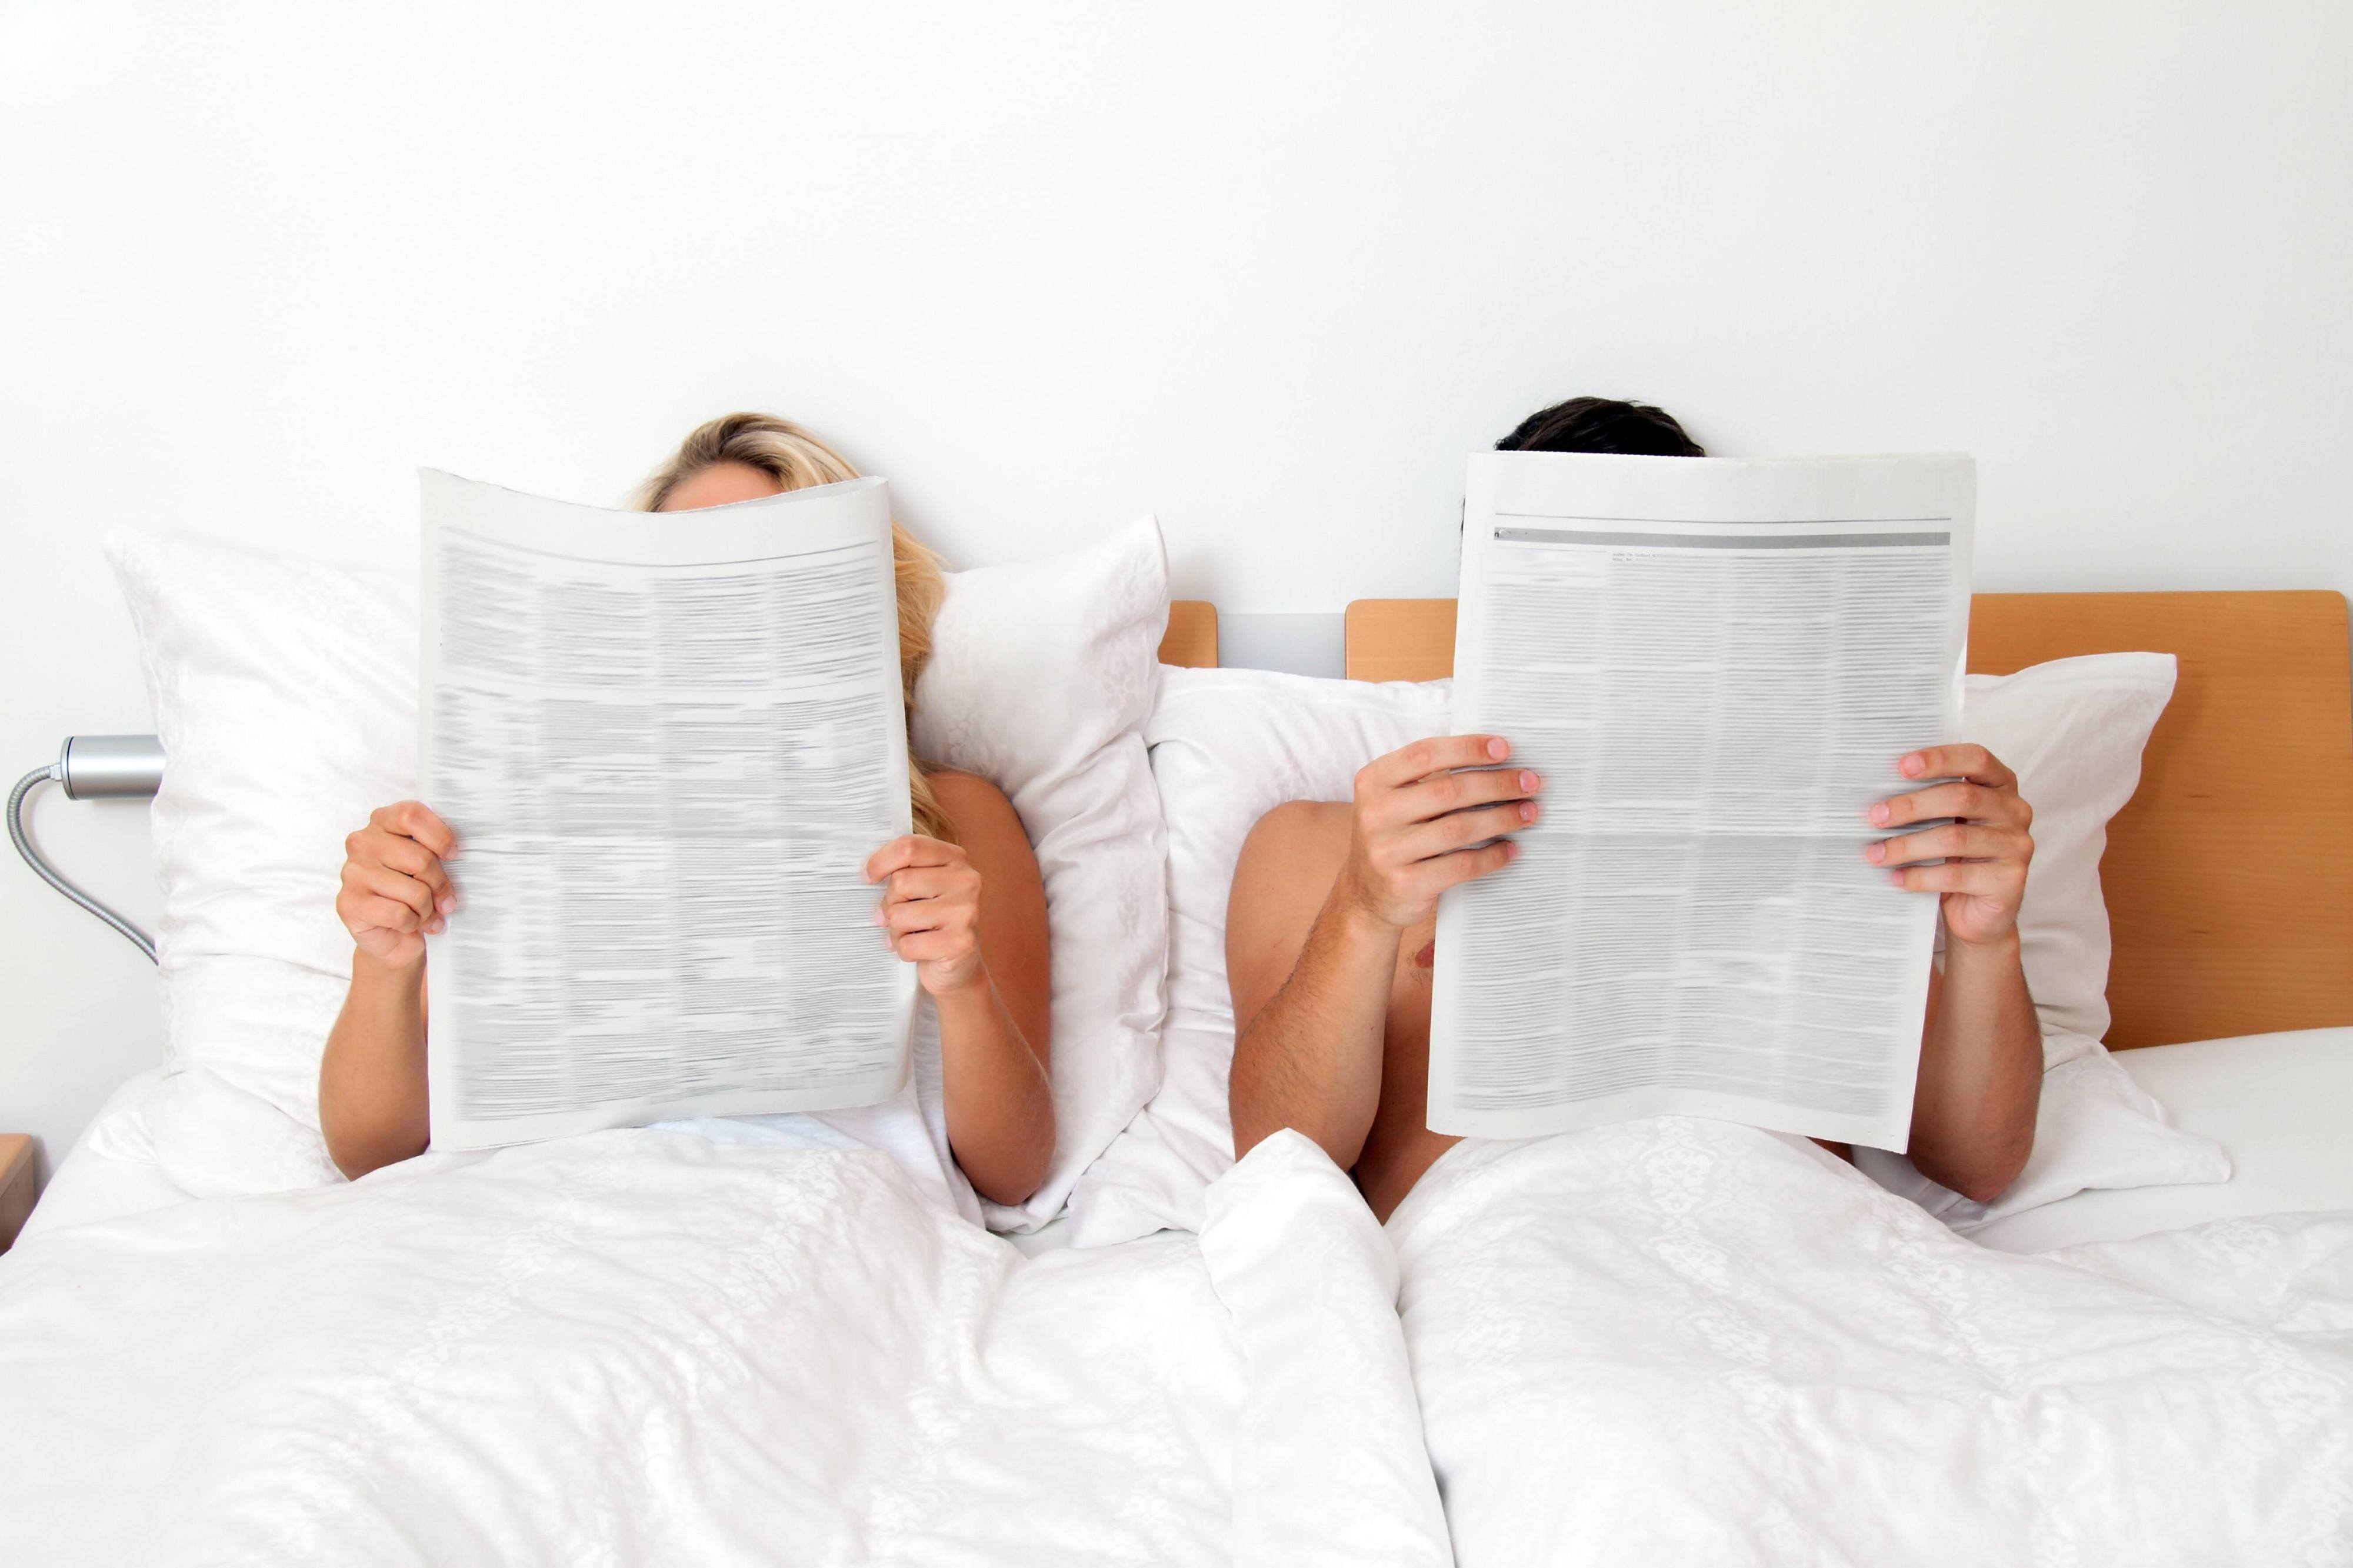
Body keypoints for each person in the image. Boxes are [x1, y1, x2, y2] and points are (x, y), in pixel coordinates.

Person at [1226, 397, 2040, 1222]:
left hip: (1787, 1240)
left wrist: (1987, 939)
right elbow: (1278, 1159)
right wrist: (1364, 912)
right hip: (1509, 1251)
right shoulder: (1319, 846)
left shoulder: (1822, 835)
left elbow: (1975, 1164)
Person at [318, 413, 1055, 1213]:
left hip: (817, 1215)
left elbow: (1013, 1172)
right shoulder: (508, 818)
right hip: (536, 1210)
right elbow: (371, 1158)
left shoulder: (955, 821)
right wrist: (385, 964)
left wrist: (962, 982)